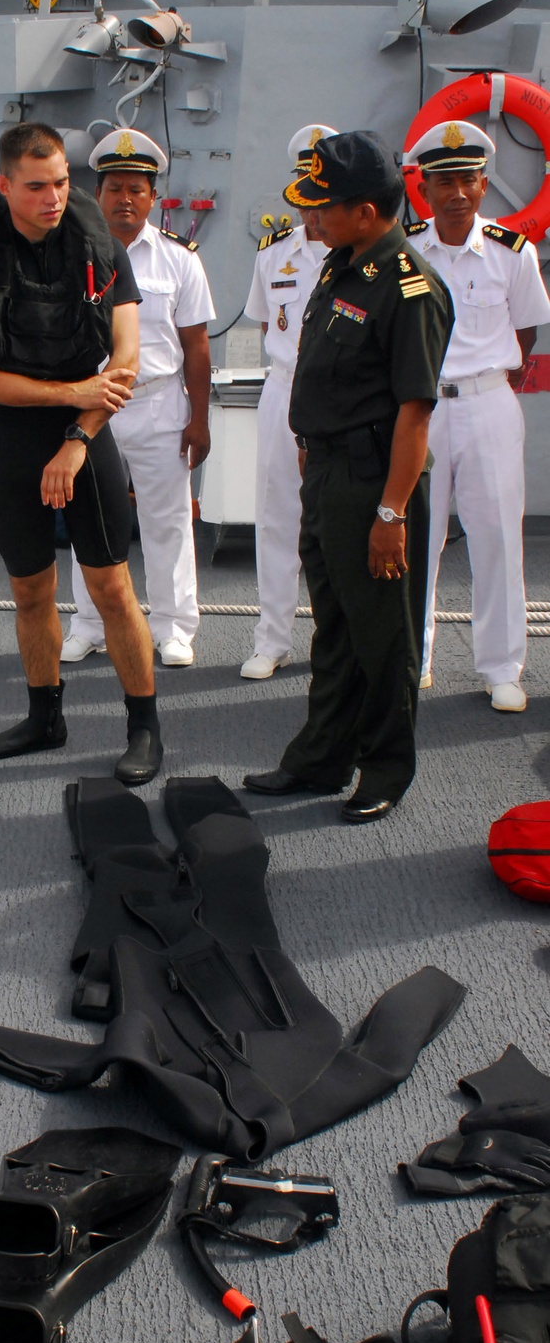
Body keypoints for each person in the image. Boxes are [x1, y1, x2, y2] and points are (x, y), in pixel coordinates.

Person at [0, 121, 163, 784]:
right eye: (36, 186)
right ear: (4, 185)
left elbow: (123, 364)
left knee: (112, 587)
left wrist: (75, 436)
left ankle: (145, 727)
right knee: (30, 589)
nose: (54, 197)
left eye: (62, 182)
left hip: (86, 437)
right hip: (12, 437)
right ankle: (45, 718)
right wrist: (69, 392)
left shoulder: (103, 252)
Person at [243, 130, 453, 823]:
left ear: (366, 211)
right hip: (330, 472)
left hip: (374, 483)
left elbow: (414, 412)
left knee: (383, 633)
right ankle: (322, 757)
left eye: (325, 206)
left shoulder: (409, 288)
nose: (313, 218)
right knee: (334, 624)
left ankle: (386, 769)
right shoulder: (342, 266)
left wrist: (392, 514)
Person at [405, 120, 550, 713]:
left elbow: (526, 328)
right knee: (418, 537)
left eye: (468, 179)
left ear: (484, 185)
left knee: (497, 539)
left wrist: (492, 380)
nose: (457, 192)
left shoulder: (513, 253)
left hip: (489, 403)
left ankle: (501, 667)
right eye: (445, 181)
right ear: (426, 189)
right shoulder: (407, 250)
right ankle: (415, 659)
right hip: (422, 406)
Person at [59, 129, 214, 669]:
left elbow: (196, 346)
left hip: (156, 404)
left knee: (167, 520)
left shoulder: (179, 261)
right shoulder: (71, 256)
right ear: (98, 194)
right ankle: (87, 623)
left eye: (137, 188)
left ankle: (174, 627)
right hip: (90, 406)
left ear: (154, 197)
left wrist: (200, 418)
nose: (125, 198)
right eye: (115, 187)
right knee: (89, 519)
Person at [240, 123, 335, 679]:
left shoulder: (366, 256)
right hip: (284, 389)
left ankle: (334, 639)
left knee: (338, 524)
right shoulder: (274, 255)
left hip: (343, 400)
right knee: (277, 519)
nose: (312, 204)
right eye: (305, 187)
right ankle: (272, 638)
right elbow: (262, 324)